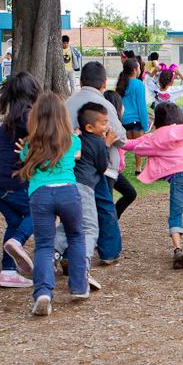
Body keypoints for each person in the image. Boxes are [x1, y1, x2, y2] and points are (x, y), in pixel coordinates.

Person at [16, 93, 88, 316]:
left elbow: (24, 159)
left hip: (40, 196)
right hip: (68, 192)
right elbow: (77, 153)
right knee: (75, 236)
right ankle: (78, 286)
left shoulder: (30, 145)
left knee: (45, 245)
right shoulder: (72, 140)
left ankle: (43, 292)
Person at [124, 102, 183, 268]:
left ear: (159, 119)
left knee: (175, 212)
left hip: (179, 176)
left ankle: (178, 249)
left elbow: (137, 146)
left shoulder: (156, 136)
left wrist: (117, 142)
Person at [0, 72, 41, 288]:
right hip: (7, 178)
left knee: (15, 221)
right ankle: (17, 242)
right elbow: (51, 136)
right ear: (33, 92)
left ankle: (7, 272)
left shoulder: (16, 116)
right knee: (37, 210)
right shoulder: (27, 117)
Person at [66, 61, 127, 265]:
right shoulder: (104, 105)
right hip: (97, 164)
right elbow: (120, 135)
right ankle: (109, 251)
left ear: (81, 80)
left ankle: (66, 252)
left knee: (73, 209)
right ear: (103, 83)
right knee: (103, 205)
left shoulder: (68, 102)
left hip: (70, 165)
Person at [54, 103, 117, 291]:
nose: (107, 126)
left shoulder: (76, 139)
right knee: (89, 228)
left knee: (68, 225)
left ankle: (51, 254)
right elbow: (102, 166)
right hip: (84, 189)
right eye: (104, 123)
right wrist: (106, 145)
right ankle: (82, 269)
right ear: (90, 127)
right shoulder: (97, 142)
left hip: (68, 185)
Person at [103, 90, 137, 218]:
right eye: (121, 105)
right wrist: (145, 141)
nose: (124, 108)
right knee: (106, 204)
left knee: (130, 193)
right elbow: (124, 143)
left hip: (115, 171)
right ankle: (109, 224)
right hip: (108, 170)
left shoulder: (116, 125)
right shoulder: (111, 128)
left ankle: (112, 219)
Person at [117, 58, 149, 175]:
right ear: (135, 70)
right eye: (139, 67)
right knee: (138, 146)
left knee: (124, 147)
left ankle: (119, 165)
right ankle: (138, 168)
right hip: (136, 121)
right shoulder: (138, 84)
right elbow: (141, 106)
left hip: (124, 120)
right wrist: (145, 126)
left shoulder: (121, 83)